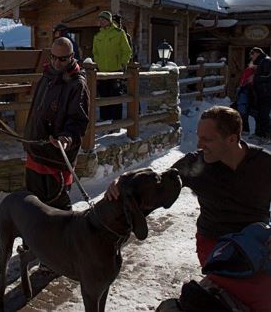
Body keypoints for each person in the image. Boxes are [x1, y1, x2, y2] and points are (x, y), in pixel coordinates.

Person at [106, 106, 271, 312]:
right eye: (198, 137)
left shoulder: (264, 163)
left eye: (207, 139)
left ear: (232, 139)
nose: (199, 145)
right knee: (261, 296)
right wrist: (124, 181)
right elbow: (157, 182)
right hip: (215, 244)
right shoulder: (196, 164)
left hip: (257, 241)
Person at [23, 37, 89, 211]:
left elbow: (78, 120)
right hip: (35, 151)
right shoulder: (47, 75)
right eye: (53, 57)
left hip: (56, 156)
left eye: (62, 59)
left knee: (57, 210)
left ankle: (62, 239)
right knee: (34, 207)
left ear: (72, 56)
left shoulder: (77, 84)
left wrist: (66, 138)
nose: (57, 62)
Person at [92, 10, 132, 121]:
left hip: (116, 70)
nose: (100, 21)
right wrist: (98, 63)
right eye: (99, 19)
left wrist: (123, 63)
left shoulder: (119, 33)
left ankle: (116, 121)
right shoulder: (97, 35)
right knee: (103, 96)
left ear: (108, 21)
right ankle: (104, 120)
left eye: (103, 19)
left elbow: (127, 51)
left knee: (115, 96)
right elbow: (95, 52)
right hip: (102, 72)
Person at [250, 47, 271, 139]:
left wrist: (254, 79)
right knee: (258, 114)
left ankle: (267, 136)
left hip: (266, 94)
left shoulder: (266, 61)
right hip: (261, 93)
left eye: (252, 54)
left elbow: (268, 76)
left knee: (264, 115)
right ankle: (259, 134)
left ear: (257, 53)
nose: (251, 57)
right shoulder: (261, 62)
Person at [233, 61, 256, 133]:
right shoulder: (249, 70)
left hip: (248, 90)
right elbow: (243, 81)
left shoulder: (254, 71)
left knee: (244, 109)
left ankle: (245, 129)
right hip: (245, 89)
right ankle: (244, 129)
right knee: (242, 109)